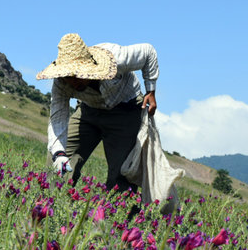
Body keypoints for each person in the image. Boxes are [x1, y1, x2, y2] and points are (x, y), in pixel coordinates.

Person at [36, 33, 159, 202]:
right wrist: (59, 153)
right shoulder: (61, 83)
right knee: (57, 161)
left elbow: (148, 52)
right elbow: (58, 117)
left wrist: (150, 90)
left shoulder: (116, 58)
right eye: (68, 76)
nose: (74, 82)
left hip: (125, 109)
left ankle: (117, 222)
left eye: (78, 75)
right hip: (88, 110)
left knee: (122, 173)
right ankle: (51, 210)